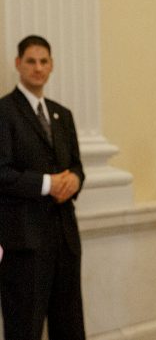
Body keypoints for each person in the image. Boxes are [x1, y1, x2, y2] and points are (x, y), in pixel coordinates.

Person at [0, 35, 86, 340]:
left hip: (65, 238)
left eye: (44, 61)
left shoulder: (63, 114)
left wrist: (74, 180)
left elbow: (77, 167)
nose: (38, 68)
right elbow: (2, 172)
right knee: (25, 326)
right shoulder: (4, 112)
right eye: (31, 61)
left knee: (70, 326)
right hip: (24, 242)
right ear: (17, 64)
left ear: (51, 66)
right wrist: (49, 184)